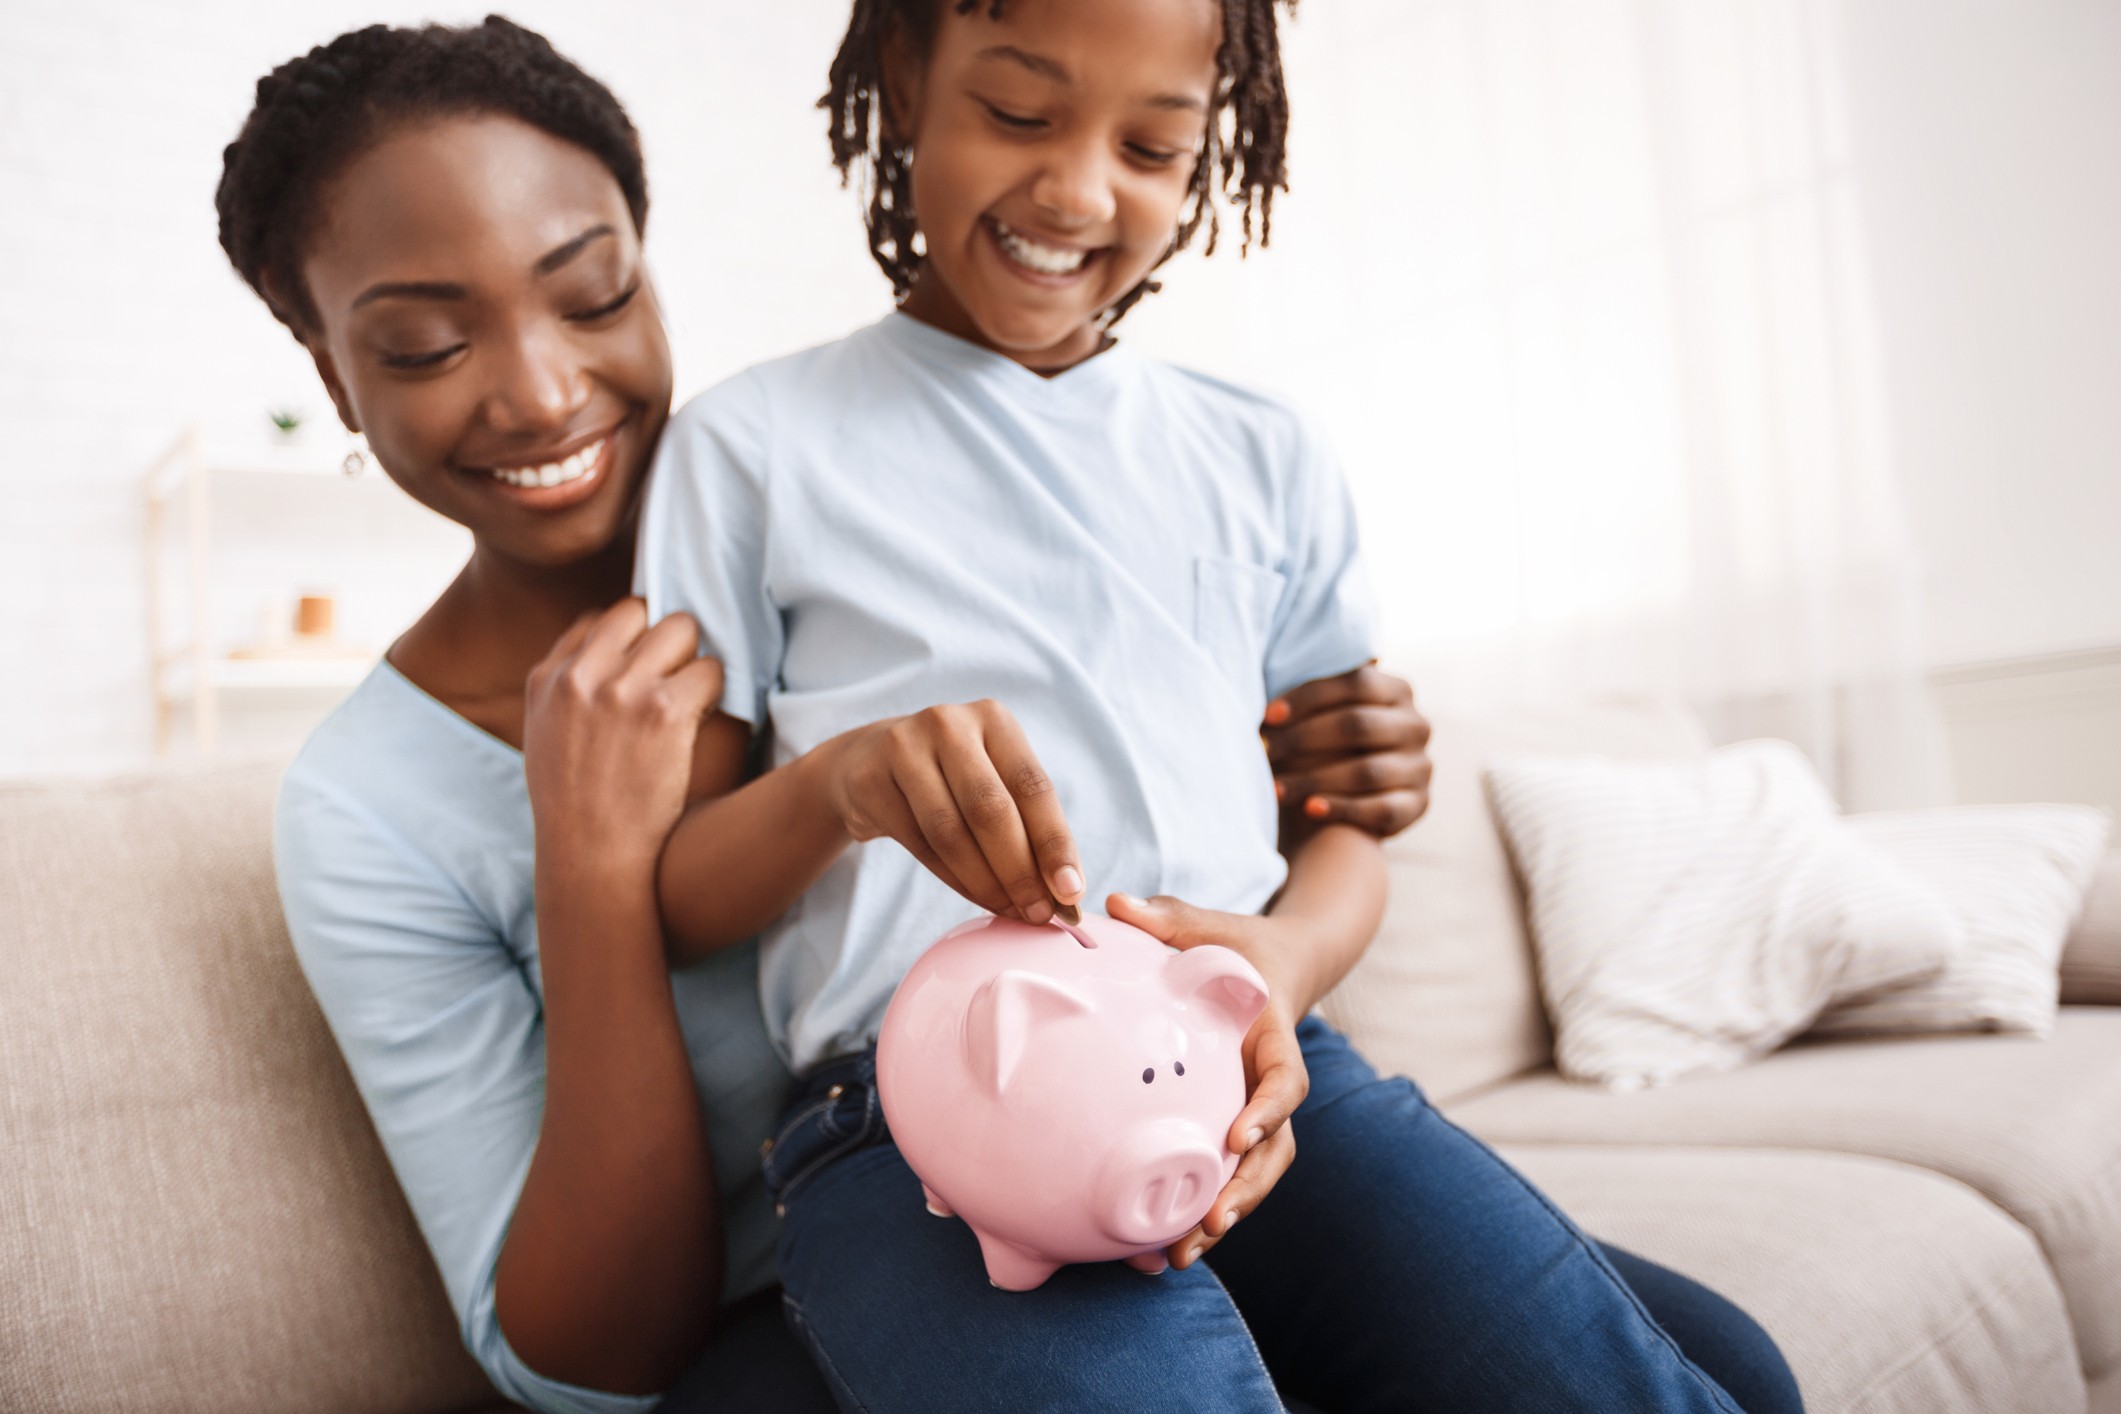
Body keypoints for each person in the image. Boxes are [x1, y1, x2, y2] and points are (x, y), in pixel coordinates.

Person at [220, 18, 1432, 1412]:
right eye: (428, 345)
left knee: (1707, 1356)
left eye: (596, 294)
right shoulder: (365, 805)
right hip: (836, 1269)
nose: (543, 389)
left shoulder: (823, 496)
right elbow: (576, 1364)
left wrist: (1340, 771)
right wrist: (592, 865)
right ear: (332, 374)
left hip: (1151, 1129)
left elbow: (1208, 782)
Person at [633, 1, 1809, 1411]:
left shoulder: (1261, 454)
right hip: (915, 1120)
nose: (1076, 189)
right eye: (1018, 113)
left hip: (1260, 1070)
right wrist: (838, 783)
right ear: (903, 77)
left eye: (1152, 143)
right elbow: (682, 894)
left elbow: (1346, 828)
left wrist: (1286, 962)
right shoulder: (749, 448)